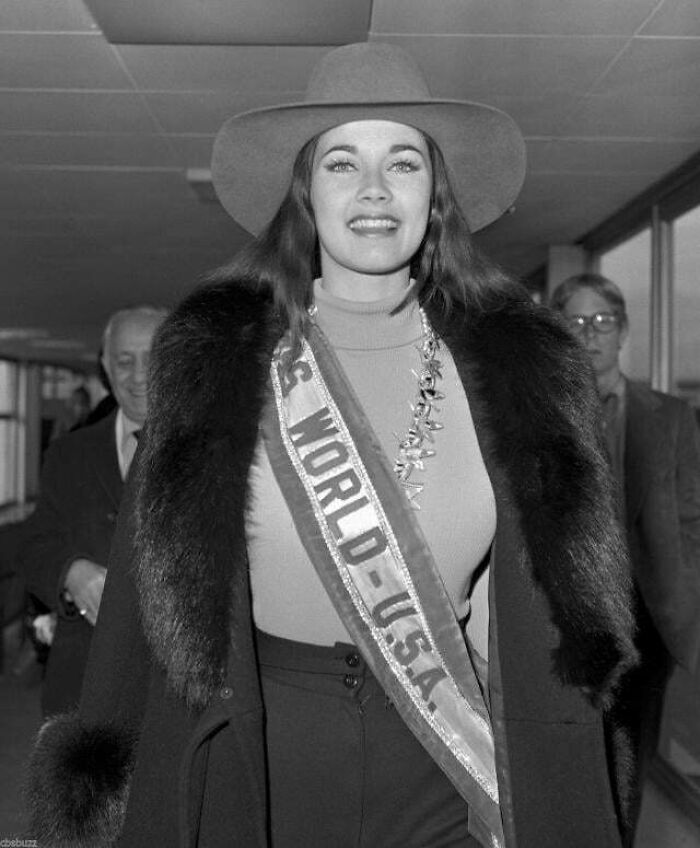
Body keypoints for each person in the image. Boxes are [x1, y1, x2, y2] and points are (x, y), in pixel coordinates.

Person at [28, 44, 637, 848]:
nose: (376, 190)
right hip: (258, 757)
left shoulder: (526, 375)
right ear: (305, 193)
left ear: (436, 194)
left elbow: (548, 620)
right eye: (344, 162)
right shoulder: (220, 363)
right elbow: (141, 620)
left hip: (446, 756)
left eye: (405, 163)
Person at [550, 272, 700, 841]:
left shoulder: (671, 416)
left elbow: (692, 518)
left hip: (649, 620)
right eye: (575, 322)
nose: (589, 335)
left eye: (601, 322)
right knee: (571, 751)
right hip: (568, 618)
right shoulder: (543, 415)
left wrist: (685, 593)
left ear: (623, 332)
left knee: (632, 752)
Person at [20, 305, 167, 716]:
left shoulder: (213, 451)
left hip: (176, 691)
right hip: (83, 679)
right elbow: (34, 544)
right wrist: (70, 571)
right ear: (105, 366)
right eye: (124, 361)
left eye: (152, 359)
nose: (138, 376)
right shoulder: (69, 453)